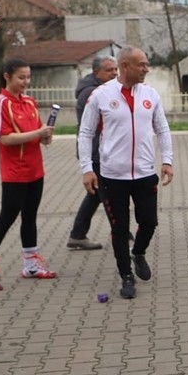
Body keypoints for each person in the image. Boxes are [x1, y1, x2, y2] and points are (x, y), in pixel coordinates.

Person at [78, 46, 174, 299]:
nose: (146, 69)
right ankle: (126, 276)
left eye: (146, 64)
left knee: (149, 222)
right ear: (125, 66)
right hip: (112, 177)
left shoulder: (150, 94)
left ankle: (138, 252)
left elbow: (162, 129)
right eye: (141, 64)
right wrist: (87, 168)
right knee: (119, 229)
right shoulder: (100, 95)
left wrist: (167, 160)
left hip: (144, 173)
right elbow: (86, 133)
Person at [0, 58, 58, 291]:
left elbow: (39, 135)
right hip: (14, 173)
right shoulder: (1, 103)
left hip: (35, 170)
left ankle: (31, 263)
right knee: (7, 218)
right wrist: (37, 133)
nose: (26, 82)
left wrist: (46, 135)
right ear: (7, 76)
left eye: (28, 77)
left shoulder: (29, 102)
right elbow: (5, 138)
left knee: (30, 216)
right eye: (21, 77)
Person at [66, 55, 118, 250]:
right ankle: (122, 233)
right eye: (110, 70)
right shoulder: (93, 93)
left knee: (96, 194)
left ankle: (77, 235)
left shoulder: (100, 89)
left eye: (116, 69)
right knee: (108, 195)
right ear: (97, 73)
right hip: (96, 153)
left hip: (101, 151)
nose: (114, 73)